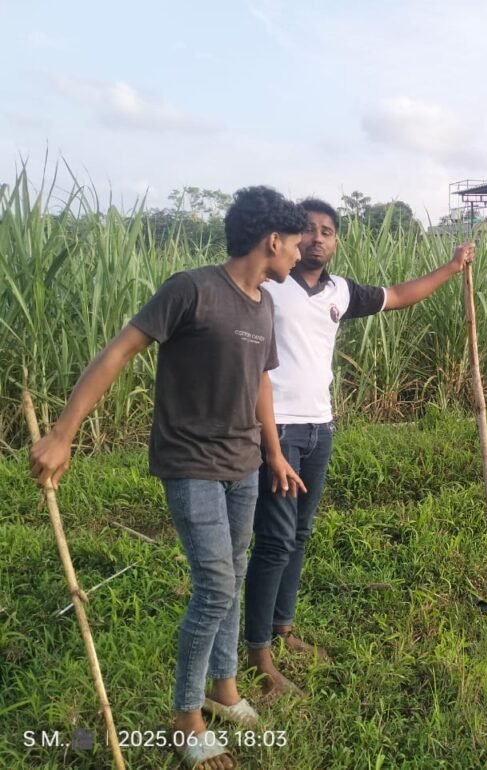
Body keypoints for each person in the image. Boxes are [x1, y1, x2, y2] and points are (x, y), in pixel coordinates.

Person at [29, 186, 307, 770]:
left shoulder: (264, 305)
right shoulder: (193, 289)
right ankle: (186, 717)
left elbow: (260, 381)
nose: (301, 254)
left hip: (244, 466)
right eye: (297, 243)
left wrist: (273, 453)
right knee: (214, 587)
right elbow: (118, 352)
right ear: (272, 240)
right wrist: (62, 433)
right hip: (190, 465)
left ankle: (224, 686)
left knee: (230, 577)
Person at [244, 197, 475, 696]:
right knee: (276, 541)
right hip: (276, 429)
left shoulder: (340, 292)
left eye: (327, 231)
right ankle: (258, 651)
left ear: (336, 240)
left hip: (319, 429)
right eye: (308, 229)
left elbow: (399, 295)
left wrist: (452, 267)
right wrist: (268, 444)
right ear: (289, 236)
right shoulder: (268, 284)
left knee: (300, 534)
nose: (317, 238)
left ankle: (282, 627)